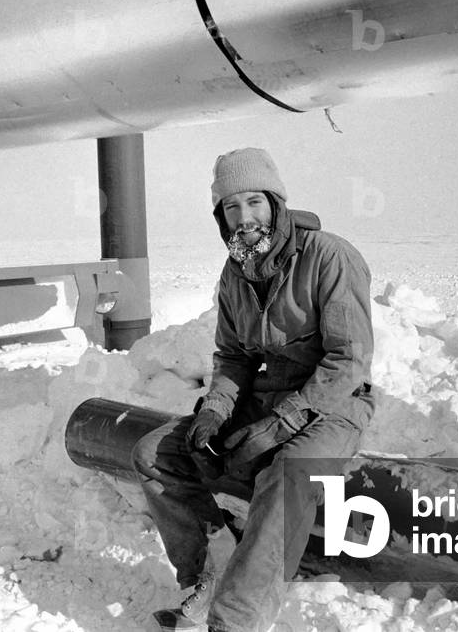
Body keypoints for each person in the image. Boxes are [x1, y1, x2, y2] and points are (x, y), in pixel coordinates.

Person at [133, 147, 375, 632]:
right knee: (155, 454)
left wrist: (281, 425)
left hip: (333, 405)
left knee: (285, 478)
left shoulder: (329, 256)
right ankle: (210, 572)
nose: (244, 218)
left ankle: (235, 622)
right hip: (265, 400)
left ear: (275, 203)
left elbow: (348, 360)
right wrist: (216, 412)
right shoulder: (235, 272)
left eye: (254, 203)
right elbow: (235, 356)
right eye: (231, 207)